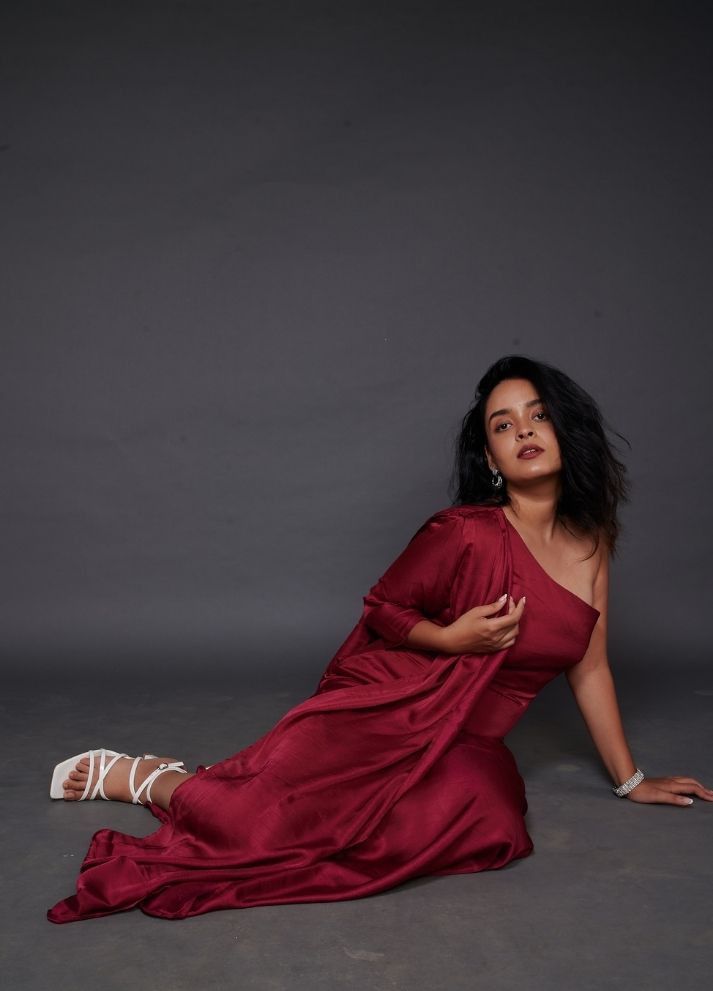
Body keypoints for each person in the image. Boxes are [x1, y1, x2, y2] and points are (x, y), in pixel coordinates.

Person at [47, 355, 713, 923]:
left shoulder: (592, 546)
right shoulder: (464, 532)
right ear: (490, 458)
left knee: (494, 821)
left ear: (565, 430)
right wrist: (449, 639)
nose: (523, 431)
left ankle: (219, 790)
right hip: (388, 709)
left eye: (537, 415)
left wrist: (630, 781)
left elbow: (589, 668)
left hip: (465, 740)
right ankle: (152, 779)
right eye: (502, 424)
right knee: (268, 826)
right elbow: (383, 608)